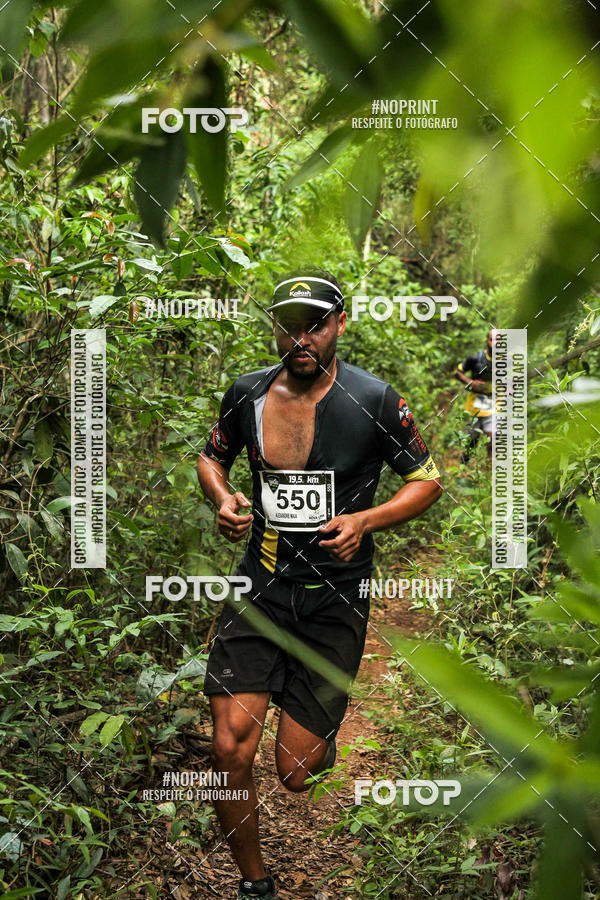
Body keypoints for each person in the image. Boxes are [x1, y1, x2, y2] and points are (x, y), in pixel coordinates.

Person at [197, 268, 443, 899]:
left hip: (336, 596)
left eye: (315, 325)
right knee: (229, 749)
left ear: (339, 324)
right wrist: (224, 498)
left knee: (297, 773)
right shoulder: (246, 393)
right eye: (289, 325)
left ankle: (307, 723)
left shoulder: (376, 400)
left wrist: (366, 519)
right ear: (276, 328)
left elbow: (428, 479)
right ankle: (256, 886)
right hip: (260, 586)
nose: (301, 338)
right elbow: (210, 456)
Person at [454, 329, 497, 462]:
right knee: (472, 441)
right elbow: (457, 372)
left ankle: (491, 474)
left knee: (493, 440)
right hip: (474, 405)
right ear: (487, 342)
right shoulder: (475, 359)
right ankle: (463, 464)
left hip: (494, 405)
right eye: (492, 340)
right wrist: (470, 382)